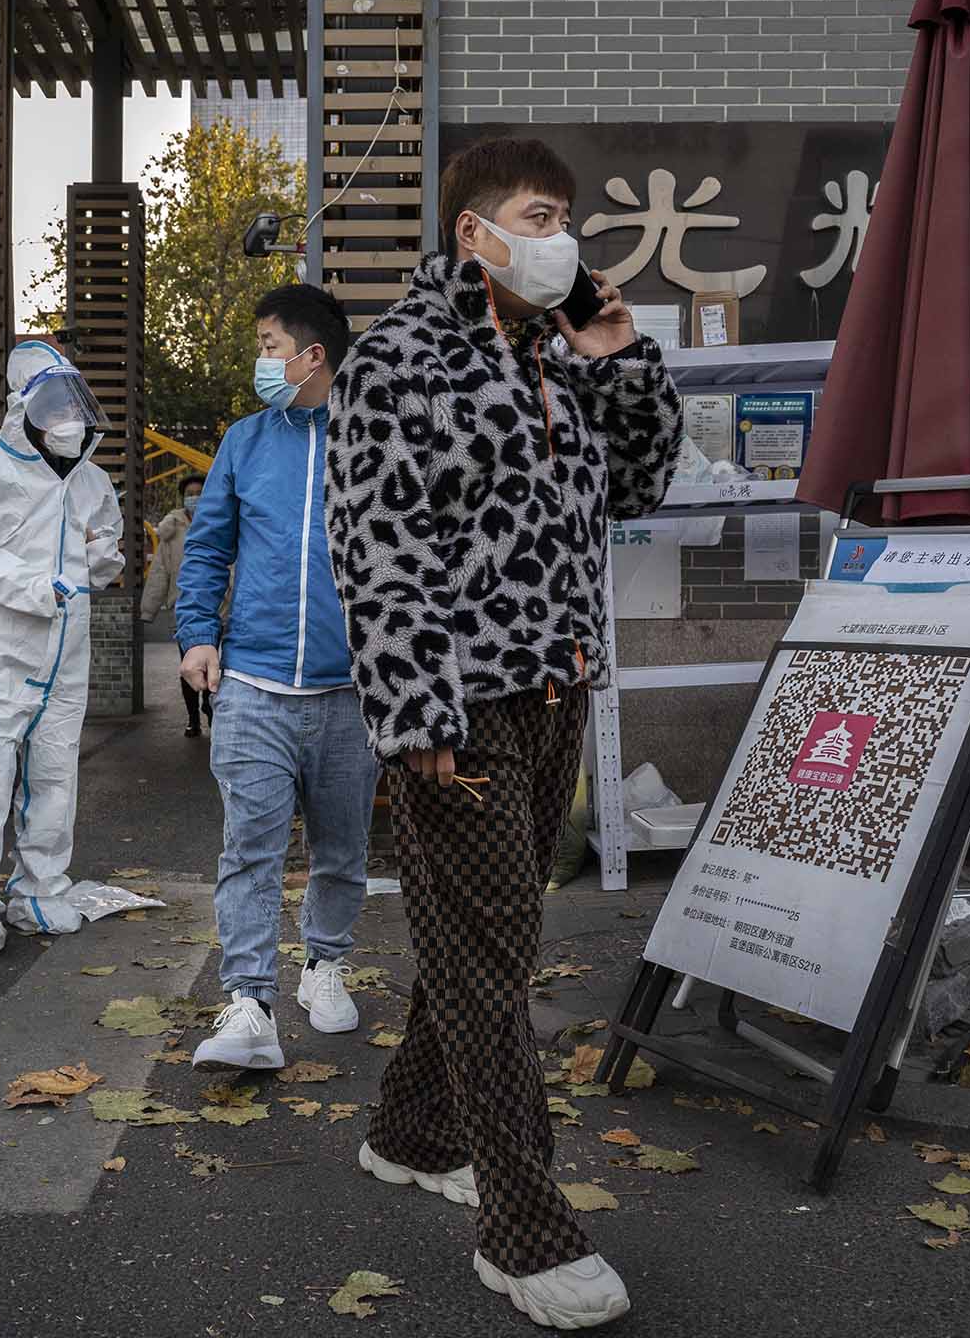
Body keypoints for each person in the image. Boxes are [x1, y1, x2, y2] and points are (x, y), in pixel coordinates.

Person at [325, 137, 680, 1329]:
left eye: (568, 217)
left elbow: (639, 489)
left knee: (488, 938)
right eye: (540, 214)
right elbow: (378, 547)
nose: (563, 237)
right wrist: (414, 706)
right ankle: (525, 1232)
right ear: (473, 233)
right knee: (486, 962)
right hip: (459, 704)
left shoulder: (561, 359)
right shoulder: (396, 364)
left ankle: (412, 1132)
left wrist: (622, 362)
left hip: (557, 692)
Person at [177, 283, 378, 1072]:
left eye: (267, 345)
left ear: (311, 355)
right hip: (254, 684)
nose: (259, 359)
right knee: (250, 850)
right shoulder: (245, 441)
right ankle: (249, 1002)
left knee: (342, 850)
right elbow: (206, 549)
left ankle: (324, 965)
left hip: (350, 691)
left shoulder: (374, 443)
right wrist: (197, 636)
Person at [0, 340, 124, 958]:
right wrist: (34, 585)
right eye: (55, 406)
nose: (69, 420)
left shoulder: (91, 480)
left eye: (74, 405)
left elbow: (105, 544)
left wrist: (100, 561)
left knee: (54, 773)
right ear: (23, 407)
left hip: (66, 650)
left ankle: (39, 890)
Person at [141, 473, 213, 736]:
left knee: (217, 665)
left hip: (219, 606)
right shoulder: (172, 530)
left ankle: (211, 708)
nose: (194, 497)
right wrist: (148, 609)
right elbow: (161, 570)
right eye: (190, 493)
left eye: (199, 492)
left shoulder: (219, 522)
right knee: (189, 665)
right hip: (184, 607)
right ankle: (193, 717)